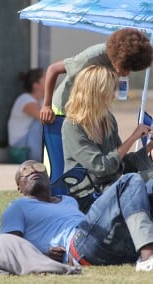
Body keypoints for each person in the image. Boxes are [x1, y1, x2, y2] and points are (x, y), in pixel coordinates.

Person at [0, 160, 153, 271]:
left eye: (38, 167)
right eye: (25, 170)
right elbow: (8, 247)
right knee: (129, 180)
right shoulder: (17, 207)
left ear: (48, 176)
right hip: (78, 247)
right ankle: (148, 257)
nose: (32, 170)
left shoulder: (68, 201)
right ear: (19, 187)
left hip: (113, 246)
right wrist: (42, 255)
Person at [62, 65, 153, 213]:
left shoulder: (107, 119)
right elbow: (102, 167)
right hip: (89, 197)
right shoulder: (73, 127)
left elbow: (120, 163)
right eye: (110, 90)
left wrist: (149, 145)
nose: (113, 96)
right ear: (95, 93)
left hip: (114, 186)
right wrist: (132, 138)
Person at [40, 28, 152, 124]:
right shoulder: (91, 57)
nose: (126, 73)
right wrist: (46, 106)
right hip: (63, 109)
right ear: (118, 57)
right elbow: (53, 69)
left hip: (88, 112)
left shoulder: (123, 60)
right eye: (125, 68)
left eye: (131, 69)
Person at [7, 68, 45, 162]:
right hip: (21, 146)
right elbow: (44, 118)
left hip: (29, 142)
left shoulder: (41, 101)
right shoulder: (25, 99)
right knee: (42, 121)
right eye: (45, 78)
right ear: (36, 85)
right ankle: (39, 160)